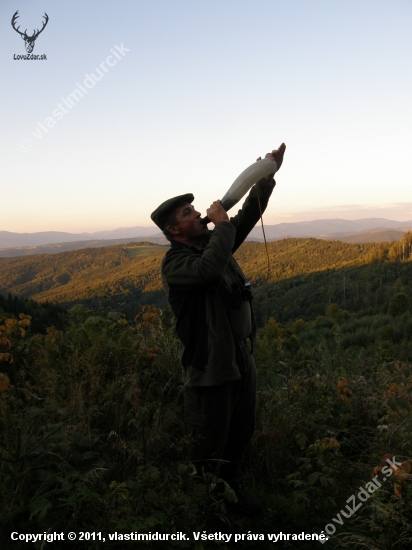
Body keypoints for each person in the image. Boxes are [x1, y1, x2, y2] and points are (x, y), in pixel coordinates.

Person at [150, 144, 286, 515]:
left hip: (240, 356)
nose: (198, 214)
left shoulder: (213, 243)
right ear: (174, 229)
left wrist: (265, 179)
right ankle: (208, 512)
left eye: (195, 209)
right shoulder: (175, 264)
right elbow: (208, 270)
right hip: (211, 367)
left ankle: (232, 494)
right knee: (210, 442)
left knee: (241, 430)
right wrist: (223, 225)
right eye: (188, 213)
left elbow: (243, 220)